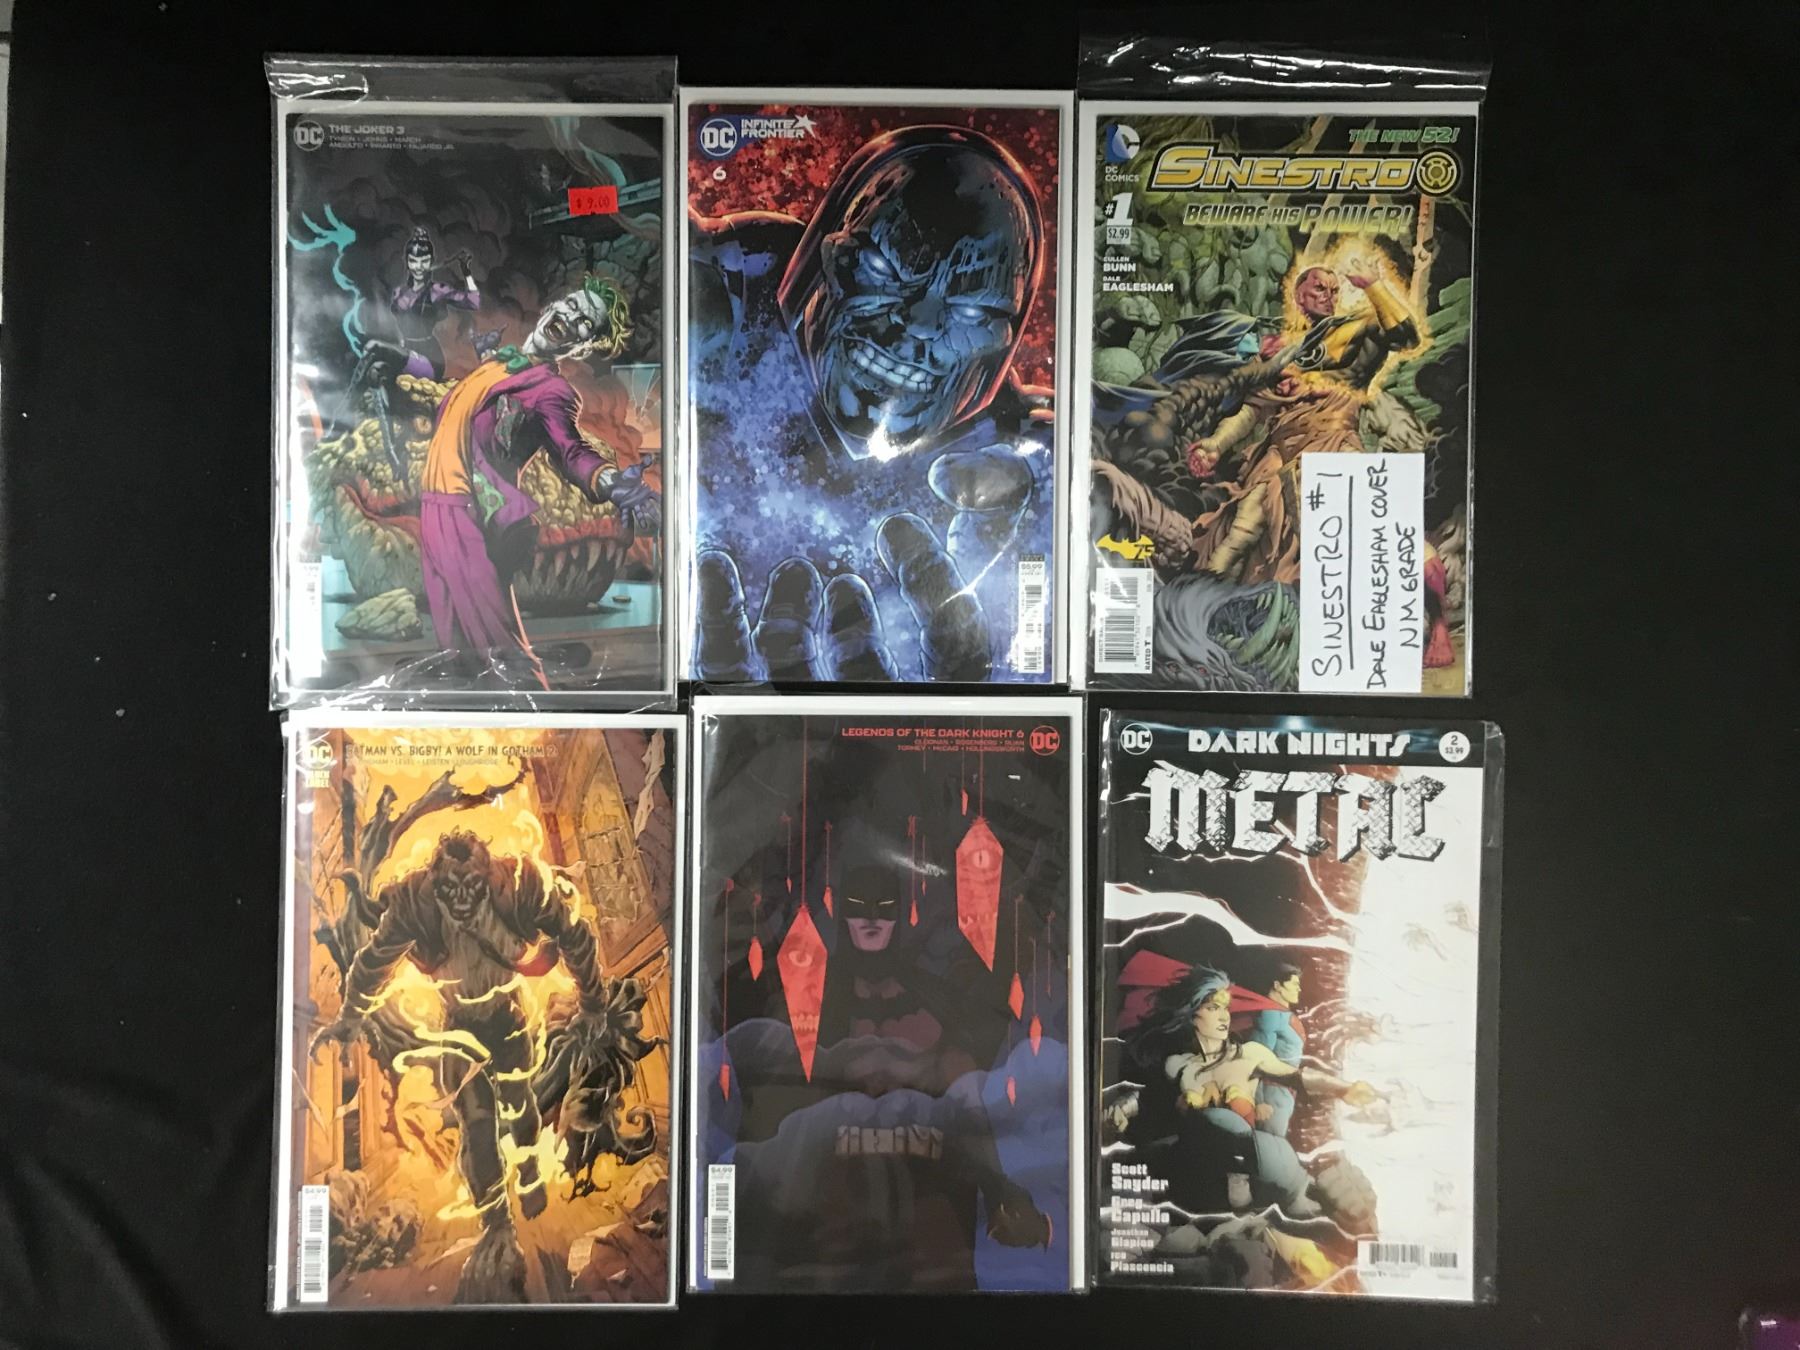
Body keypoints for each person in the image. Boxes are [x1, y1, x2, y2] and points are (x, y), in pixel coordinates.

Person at [389, 228, 479, 380]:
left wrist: (466, 272)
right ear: (407, 262)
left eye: (424, 261)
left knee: (377, 348)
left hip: (429, 358)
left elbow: (474, 302)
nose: (418, 267)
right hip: (405, 352)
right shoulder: (398, 292)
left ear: (431, 262)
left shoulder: (437, 291)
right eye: (413, 261)